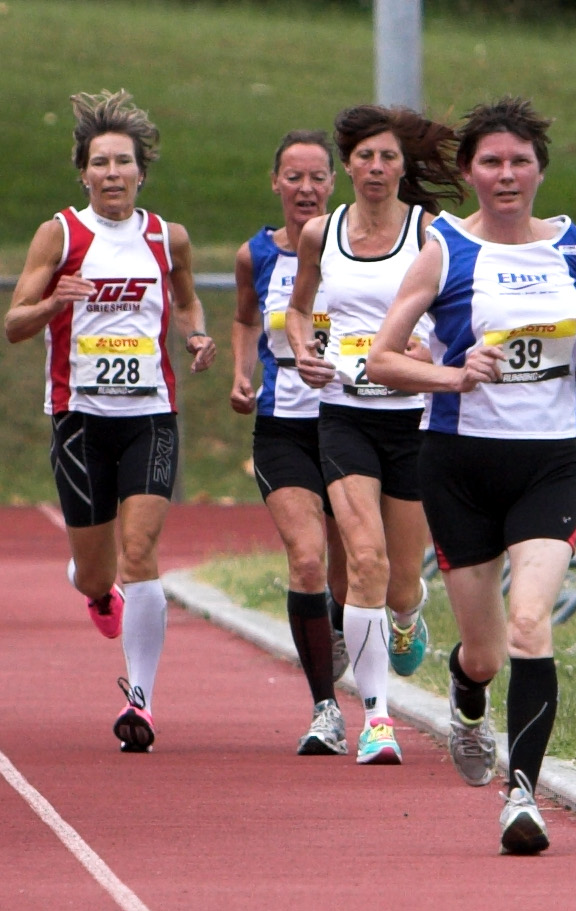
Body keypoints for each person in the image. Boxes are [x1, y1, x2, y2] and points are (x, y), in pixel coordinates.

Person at [367, 96, 576, 855]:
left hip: (548, 460)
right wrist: (454, 374)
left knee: (530, 624)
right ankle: (468, 689)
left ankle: (522, 796)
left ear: (540, 170)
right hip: (460, 465)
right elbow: (382, 360)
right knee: (485, 652)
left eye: (519, 161)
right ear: (470, 172)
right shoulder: (444, 249)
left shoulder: (573, 246)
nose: (506, 174)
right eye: (491, 162)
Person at [4, 90, 216, 753]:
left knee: (141, 551)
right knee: (98, 572)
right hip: (80, 420)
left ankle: (141, 700)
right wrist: (53, 302)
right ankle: (95, 592)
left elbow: (187, 301)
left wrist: (196, 334)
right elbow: (13, 323)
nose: (113, 173)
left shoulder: (167, 237)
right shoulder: (61, 235)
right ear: (83, 173)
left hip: (150, 415)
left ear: (141, 173)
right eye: (100, 162)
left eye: (123, 162)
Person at [286, 104, 465, 766]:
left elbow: (461, 315)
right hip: (345, 412)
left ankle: (408, 616)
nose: (377, 168)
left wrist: (431, 347)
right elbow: (299, 309)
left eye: (389, 157)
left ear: (402, 166)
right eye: (365, 156)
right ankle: (378, 719)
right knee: (365, 561)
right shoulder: (320, 233)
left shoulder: (432, 234)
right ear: (348, 165)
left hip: (413, 417)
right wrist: (304, 349)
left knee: (401, 583)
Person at [229, 130, 353, 755]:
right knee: (307, 560)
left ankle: (345, 627)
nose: (306, 189)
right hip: (284, 428)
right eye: (294, 177)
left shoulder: (361, 248)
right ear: (275, 182)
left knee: (353, 573)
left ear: (334, 183)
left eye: (317, 177)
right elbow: (245, 316)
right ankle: (325, 708)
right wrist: (241, 374)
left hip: (353, 423)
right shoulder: (256, 254)